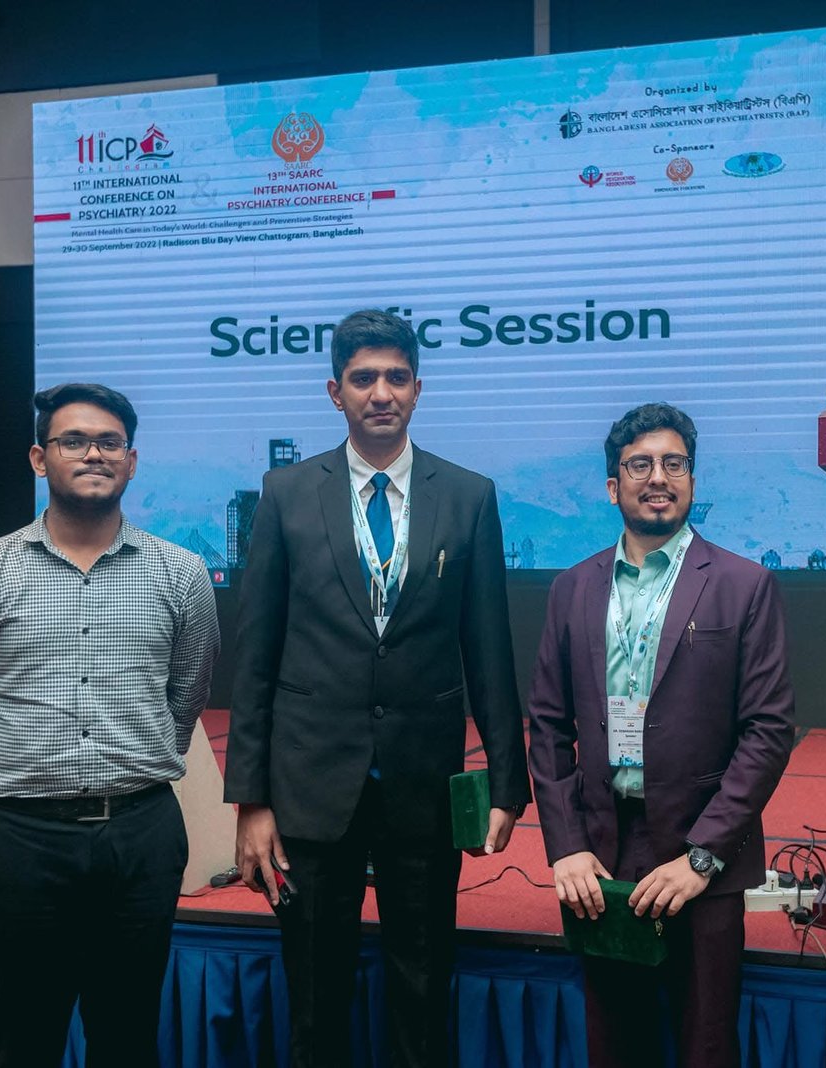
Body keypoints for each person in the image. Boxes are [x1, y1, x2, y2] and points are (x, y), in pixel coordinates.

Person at [224, 308, 531, 1068]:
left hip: (423, 786)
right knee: (315, 993)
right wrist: (250, 801)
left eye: (397, 377)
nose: (381, 393)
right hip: (308, 789)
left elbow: (489, 651)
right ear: (336, 392)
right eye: (363, 379)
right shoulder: (287, 493)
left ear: (419, 389)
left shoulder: (468, 496)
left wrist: (506, 784)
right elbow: (254, 658)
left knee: (423, 989)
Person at [0, 382, 221, 1067]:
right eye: (74, 441)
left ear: (132, 461)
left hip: (141, 836)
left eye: (109, 442)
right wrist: (12, 773)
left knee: (128, 1036)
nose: (93, 454)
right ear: (39, 458)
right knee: (25, 1037)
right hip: (23, 839)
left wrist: (133, 763)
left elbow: (188, 694)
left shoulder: (181, 573)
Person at [526, 402, 796, 1068]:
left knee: (706, 1045)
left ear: (692, 481)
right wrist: (566, 847)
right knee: (615, 1045)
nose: (658, 477)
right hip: (601, 858)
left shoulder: (743, 585)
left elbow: (768, 731)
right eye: (639, 464)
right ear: (611, 486)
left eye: (674, 464)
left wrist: (703, 856)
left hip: (701, 855)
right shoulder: (572, 588)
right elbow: (548, 726)